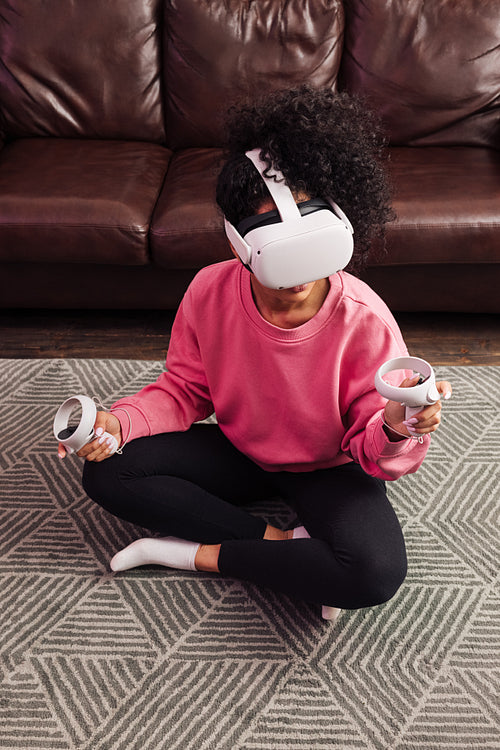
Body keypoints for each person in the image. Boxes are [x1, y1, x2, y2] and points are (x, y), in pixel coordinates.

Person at [58, 86, 451, 616]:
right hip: (242, 448)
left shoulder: (364, 317)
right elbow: (182, 391)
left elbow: (374, 454)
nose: (297, 275)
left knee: (374, 571)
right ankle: (282, 546)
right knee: (107, 472)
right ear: (236, 241)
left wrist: (398, 424)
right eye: (272, 240)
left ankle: (196, 555)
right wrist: (118, 423)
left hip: (330, 464)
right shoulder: (208, 290)